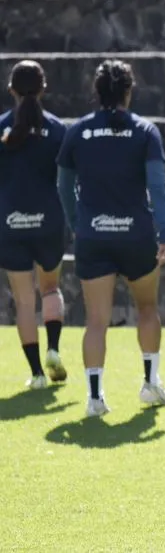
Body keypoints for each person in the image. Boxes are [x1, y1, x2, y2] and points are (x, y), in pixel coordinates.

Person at [56, 59, 165, 418]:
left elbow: (62, 186)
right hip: (137, 236)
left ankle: (94, 399)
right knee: (148, 309)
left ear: (97, 91)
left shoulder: (78, 131)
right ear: (128, 90)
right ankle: (150, 384)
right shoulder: (145, 131)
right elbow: (157, 186)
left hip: (94, 236)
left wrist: (78, 222)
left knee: (95, 320)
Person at [0, 60, 68, 389]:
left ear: (10, 89)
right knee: (50, 288)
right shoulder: (57, 129)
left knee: (24, 301)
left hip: (10, 223)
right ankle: (53, 349)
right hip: (49, 221)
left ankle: (37, 374)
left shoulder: (2, 127)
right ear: (43, 89)